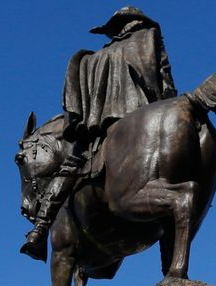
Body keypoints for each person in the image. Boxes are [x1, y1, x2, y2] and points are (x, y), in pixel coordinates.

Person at [21, 6, 177, 260]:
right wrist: (168, 112)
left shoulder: (90, 59)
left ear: (115, 29)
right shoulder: (150, 39)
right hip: (148, 119)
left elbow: (76, 103)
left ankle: (39, 230)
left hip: (100, 127)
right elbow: (165, 81)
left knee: (70, 167)